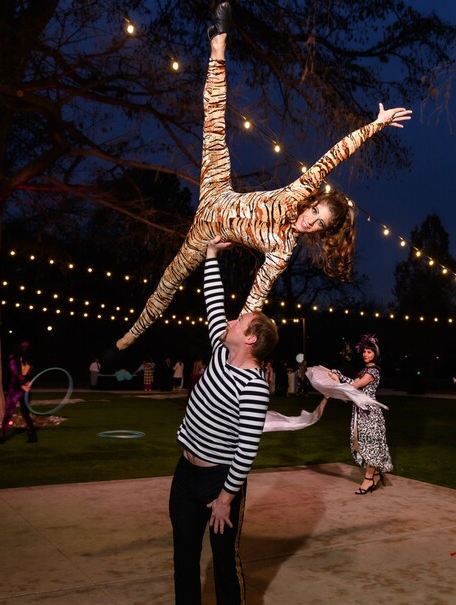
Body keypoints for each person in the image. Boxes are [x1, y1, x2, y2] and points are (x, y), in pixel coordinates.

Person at [114, 5, 412, 350]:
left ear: (320, 232)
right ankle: (218, 47)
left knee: (169, 281)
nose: (310, 221)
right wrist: (375, 126)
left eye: (318, 224)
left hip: (206, 235)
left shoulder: (282, 250)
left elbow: (257, 294)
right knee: (214, 123)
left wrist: (239, 336)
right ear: (312, 202)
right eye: (315, 212)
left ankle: (125, 340)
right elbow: (335, 155)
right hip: (217, 190)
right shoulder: (298, 192)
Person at [155, 236, 278, 605]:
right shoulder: (220, 352)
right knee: (184, 562)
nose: (231, 317)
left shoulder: (254, 387)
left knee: (224, 567)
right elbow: (212, 302)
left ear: (251, 338)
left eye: (241, 319)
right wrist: (210, 256)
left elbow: (247, 448)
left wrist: (225, 499)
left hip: (219, 485)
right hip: (185, 475)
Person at [326, 334, 392, 494]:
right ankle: (375, 475)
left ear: (375, 354)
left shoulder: (373, 371)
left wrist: (339, 378)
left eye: (369, 352)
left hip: (369, 413)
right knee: (362, 443)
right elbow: (354, 383)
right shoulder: (365, 370)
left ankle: (368, 479)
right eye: (364, 351)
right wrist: (340, 376)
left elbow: (355, 385)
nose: (365, 354)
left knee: (369, 445)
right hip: (361, 411)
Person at [0, 342, 37, 444]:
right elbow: (15, 374)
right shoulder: (13, 361)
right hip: (14, 390)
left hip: (25, 391)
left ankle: (32, 436)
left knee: (25, 413)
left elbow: (31, 374)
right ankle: (2, 436)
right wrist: (22, 385)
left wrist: (29, 382)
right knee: (8, 413)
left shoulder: (30, 361)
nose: (24, 351)